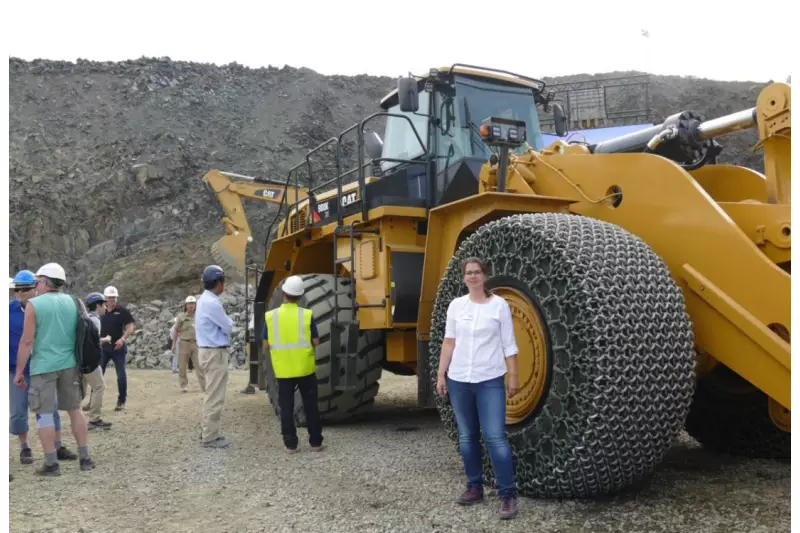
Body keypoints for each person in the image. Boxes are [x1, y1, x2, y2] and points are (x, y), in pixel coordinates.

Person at [435, 257, 520, 520]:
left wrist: (513, 376)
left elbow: (509, 344)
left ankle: (508, 495)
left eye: (477, 272)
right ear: (464, 278)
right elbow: (449, 341)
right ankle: (474, 487)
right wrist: (441, 374)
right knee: (467, 437)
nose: (473, 276)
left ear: (485, 276)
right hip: (459, 379)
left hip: (489, 379)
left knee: (495, 437)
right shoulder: (456, 306)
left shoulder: (499, 306)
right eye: (468, 273)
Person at [13, 263, 95, 475]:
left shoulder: (35, 305)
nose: (36, 284)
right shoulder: (73, 301)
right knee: (75, 410)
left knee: (45, 414)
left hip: (43, 367)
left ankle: (51, 463)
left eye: (39, 280)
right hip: (70, 364)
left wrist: (20, 371)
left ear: (46, 282)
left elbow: (27, 341)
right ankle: (85, 458)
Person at [9, 270, 76, 468]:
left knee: (50, 409)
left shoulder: (43, 308)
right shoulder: (8, 310)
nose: (20, 293)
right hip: (16, 368)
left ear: (35, 288)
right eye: (16, 289)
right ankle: (24, 446)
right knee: (18, 411)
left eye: (25, 289)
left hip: (42, 367)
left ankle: (57, 446)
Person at [264, 275, 323, 453]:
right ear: (300, 296)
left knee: (286, 408)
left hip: (283, 371)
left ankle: (290, 444)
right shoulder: (306, 315)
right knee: (311, 406)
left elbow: (266, 345)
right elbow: (316, 341)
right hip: (305, 368)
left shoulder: (270, 316)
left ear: (283, 293)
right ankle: (315, 442)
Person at [195, 265, 233, 448]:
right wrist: (229, 323)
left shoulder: (203, 300)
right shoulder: (212, 303)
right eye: (223, 281)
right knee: (215, 395)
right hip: (214, 352)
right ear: (218, 283)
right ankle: (209, 436)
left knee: (211, 392)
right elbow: (228, 326)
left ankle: (206, 430)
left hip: (206, 350)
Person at [99, 285, 135, 411]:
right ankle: (95, 401)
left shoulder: (122, 311)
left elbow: (130, 326)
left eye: (114, 298)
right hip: (103, 348)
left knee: (121, 375)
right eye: (109, 298)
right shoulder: (101, 312)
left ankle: (121, 400)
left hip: (117, 348)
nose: (112, 301)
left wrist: (123, 338)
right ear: (105, 299)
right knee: (98, 374)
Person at [83, 292, 113, 430]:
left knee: (80, 391)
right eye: (103, 305)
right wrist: (106, 339)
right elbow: (94, 341)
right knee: (99, 387)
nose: (105, 308)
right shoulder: (95, 320)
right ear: (98, 305)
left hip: (80, 360)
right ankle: (94, 419)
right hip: (91, 360)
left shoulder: (84, 318)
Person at [173, 295, 206, 393]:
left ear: (195, 305)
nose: (191, 306)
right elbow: (176, 330)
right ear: (186, 305)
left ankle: (205, 386)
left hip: (196, 344)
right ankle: (184, 386)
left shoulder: (199, 316)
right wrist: (174, 344)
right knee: (182, 365)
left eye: (193, 304)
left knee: (199, 365)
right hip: (184, 343)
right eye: (189, 304)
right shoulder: (181, 316)